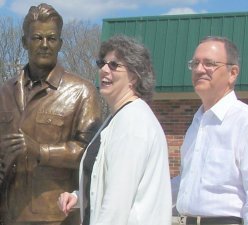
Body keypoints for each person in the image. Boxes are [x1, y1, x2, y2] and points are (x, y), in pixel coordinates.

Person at [0, 3, 101, 225]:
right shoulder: (4, 92)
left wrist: (41, 151)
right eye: (37, 38)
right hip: (9, 215)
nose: (45, 45)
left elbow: (91, 155)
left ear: (60, 43)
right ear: (24, 41)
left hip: (56, 217)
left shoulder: (82, 92)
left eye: (52, 38)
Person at [58, 35, 172, 225]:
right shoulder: (117, 118)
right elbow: (108, 181)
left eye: (114, 65)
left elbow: (117, 203)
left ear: (134, 76)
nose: (103, 70)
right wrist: (80, 196)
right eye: (101, 63)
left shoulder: (133, 122)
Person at [172, 36, 248, 225]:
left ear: (233, 73)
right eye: (195, 63)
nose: (199, 69)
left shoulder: (247, 122)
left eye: (209, 63)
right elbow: (186, 182)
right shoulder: (197, 123)